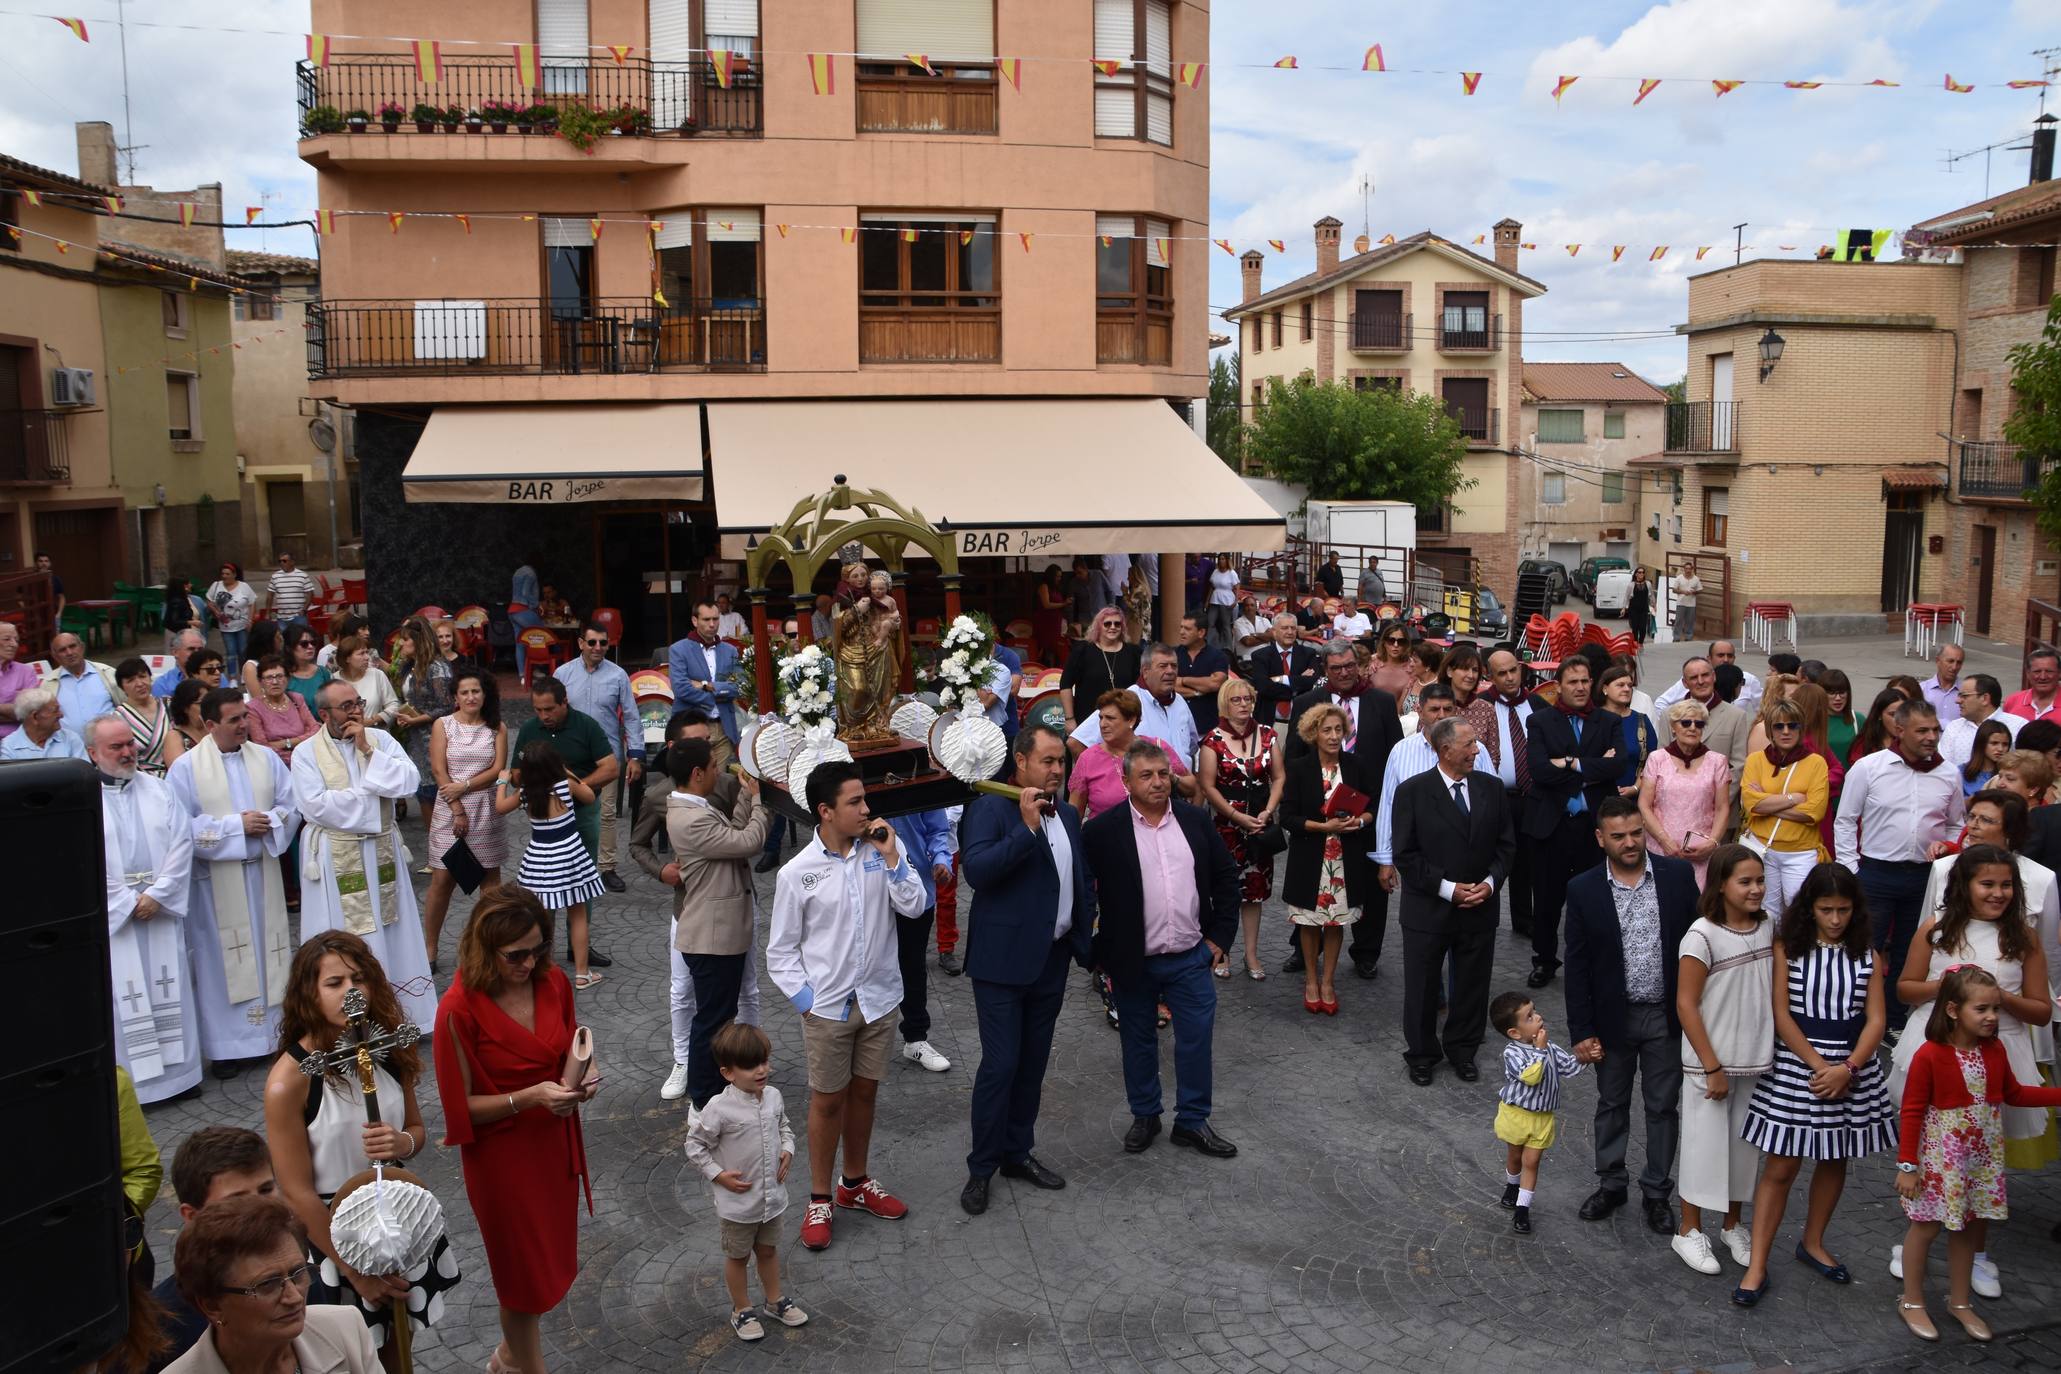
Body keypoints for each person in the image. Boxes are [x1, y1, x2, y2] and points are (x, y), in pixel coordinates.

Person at [263, 931, 457, 1356]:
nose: (351, 992)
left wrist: (401, 1142)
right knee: (350, 1357)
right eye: (334, 984)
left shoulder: (385, 1046)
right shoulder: (289, 1082)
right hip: (333, 1234)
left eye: (358, 979)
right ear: (308, 994)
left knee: (398, 1353)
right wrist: (356, 1271)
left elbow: (416, 1131)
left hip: (394, 1217)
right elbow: (296, 1191)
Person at [432, 887, 596, 1374]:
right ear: (486, 948)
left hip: (552, 1147)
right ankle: (526, 1365)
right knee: (519, 1279)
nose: (529, 962)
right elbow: (459, 1109)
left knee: (545, 1269)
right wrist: (530, 1097)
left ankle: (507, 1355)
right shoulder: (457, 1010)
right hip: (502, 1160)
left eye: (538, 948)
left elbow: (570, 1044)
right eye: (516, 955)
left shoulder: (553, 983)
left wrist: (584, 1077)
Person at [765, 761, 924, 1250]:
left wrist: (895, 858)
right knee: (827, 1100)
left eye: (865, 799)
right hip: (828, 1009)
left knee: (865, 1094)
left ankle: (854, 1185)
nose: (866, 809)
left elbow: (916, 905)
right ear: (825, 811)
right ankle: (819, 1197)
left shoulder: (880, 852)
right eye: (855, 801)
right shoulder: (797, 873)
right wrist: (808, 1003)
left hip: (879, 1001)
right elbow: (780, 952)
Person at [1735, 862, 1894, 1305]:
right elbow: (1782, 1014)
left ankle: (1814, 1241)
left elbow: (1876, 1018)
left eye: (1844, 909)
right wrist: (1820, 1066)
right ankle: (1758, 1263)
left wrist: (1850, 1068)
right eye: (1827, 909)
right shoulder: (1789, 947)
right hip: (1798, 1063)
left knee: (1834, 1157)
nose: (1837, 919)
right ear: (1811, 908)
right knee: (1781, 1166)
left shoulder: (1867, 953)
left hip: (1851, 1066)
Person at [1081, 739, 1241, 1157]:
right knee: (1137, 1041)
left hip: (1191, 956)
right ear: (1126, 780)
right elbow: (1082, 893)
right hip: (1133, 960)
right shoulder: (1101, 831)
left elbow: (1226, 878)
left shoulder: (1194, 821)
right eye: (1146, 776)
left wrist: (1217, 941)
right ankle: (1145, 1114)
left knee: (1196, 1040)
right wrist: (1095, 951)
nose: (1158, 783)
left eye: (1163, 774)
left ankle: (1192, 1120)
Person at [959, 725, 1096, 1214]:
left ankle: (1018, 1153)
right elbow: (977, 872)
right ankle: (981, 1168)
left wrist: (1085, 940)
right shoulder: (990, 808)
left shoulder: (1071, 814)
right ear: (1020, 762)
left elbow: (1078, 876)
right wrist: (1027, 828)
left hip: (1051, 959)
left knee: (1034, 1064)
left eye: (1062, 762)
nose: (1058, 770)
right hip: (1001, 964)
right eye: (1048, 761)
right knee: (1000, 1065)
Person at [1892, 966, 2061, 1343]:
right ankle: (1913, 1300)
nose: (1992, 1017)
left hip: (1979, 1157)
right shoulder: (1930, 1054)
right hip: (1941, 1158)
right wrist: (1908, 1165)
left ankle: (1961, 1301)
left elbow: (2014, 1093)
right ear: (1953, 1010)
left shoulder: (1995, 1049)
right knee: (1926, 1227)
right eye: (1982, 1009)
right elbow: (1913, 1111)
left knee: (1969, 1224)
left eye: (1995, 1009)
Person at [1563, 795, 1697, 1233]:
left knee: (1662, 1107)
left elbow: (1699, 947)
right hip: (1611, 1020)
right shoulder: (1583, 888)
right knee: (1611, 1103)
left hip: (1665, 1015)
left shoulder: (1677, 878)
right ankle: (1612, 1183)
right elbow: (1577, 965)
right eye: (1618, 836)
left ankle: (1657, 1193)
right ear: (1601, 839)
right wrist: (1581, 1030)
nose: (1630, 843)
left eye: (1636, 833)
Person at [1889, 845, 2056, 1197]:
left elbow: (2042, 1010)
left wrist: (2001, 997)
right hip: (1937, 1042)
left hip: (1999, 1048)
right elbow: (1906, 988)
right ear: (1965, 886)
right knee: (1930, 1133)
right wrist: (1947, 986)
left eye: (2006, 885)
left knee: (1982, 1146)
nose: (1998, 893)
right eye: (1987, 884)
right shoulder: (1937, 929)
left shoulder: (2023, 937)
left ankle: (1974, 1241)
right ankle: (1920, 1225)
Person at [166, 689, 300, 1076]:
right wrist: (234, 826)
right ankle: (226, 1049)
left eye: (244, 716)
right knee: (219, 961)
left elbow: (290, 807)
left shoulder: (266, 758)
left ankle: (274, 1037)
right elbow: (177, 827)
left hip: (261, 875)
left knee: (268, 950)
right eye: (234, 720)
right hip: (214, 885)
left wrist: (270, 822)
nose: (244, 725)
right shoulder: (187, 768)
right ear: (210, 725)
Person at [292, 681, 436, 1030]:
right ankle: (347, 1020)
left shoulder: (381, 741)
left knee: (392, 930)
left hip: (382, 853)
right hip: (336, 856)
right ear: (324, 714)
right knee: (342, 935)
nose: (355, 710)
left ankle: (402, 1017)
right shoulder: (306, 753)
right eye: (345, 706)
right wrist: (375, 797)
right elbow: (316, 807)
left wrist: (367, 752)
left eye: (357, 702)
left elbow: (407, 782)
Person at [631, 713, 755, 1103]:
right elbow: (637, 845)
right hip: (691, 910)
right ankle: (686, 1064)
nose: (717, 758)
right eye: (703, 745)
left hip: (731, 910)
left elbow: (737, 827)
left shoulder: (726, 784)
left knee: (743, 992)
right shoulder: (659, 798)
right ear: (680, 753)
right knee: (686, 994)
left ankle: (746, 1062)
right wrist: (661, 870)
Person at [1670, 844, 1776, 1278]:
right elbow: (1687, 1004)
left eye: (1760, 880)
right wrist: (1711, 1065)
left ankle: (1733, 1224)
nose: (1755, 890)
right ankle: (1689, 1230)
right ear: (1721, 884)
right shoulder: (1700, 935)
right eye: (1745, 882)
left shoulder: (1770, 926)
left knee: (1742, 1151)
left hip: (1755, 1060)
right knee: (1703, 1149)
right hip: (1708, 1066)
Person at [1391, 715, 1513, 1085]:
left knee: (1472, 985)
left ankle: (1463, 1049)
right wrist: (1448, 888)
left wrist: (1490, 884)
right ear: (1446, 750)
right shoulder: (1413, 791)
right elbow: (1406, 855)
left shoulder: (1491, 789)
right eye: (1470, 744)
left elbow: (1506, 845)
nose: (1477, 750)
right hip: (1428, 910)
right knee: (1424, 986)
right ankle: (1422, 1054)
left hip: (1479, 908)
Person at [1836, 699, 1964, 1026]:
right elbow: (1846, 820)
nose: (1931, 737)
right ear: (1900, 730)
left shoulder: (1948, 773)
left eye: (1935, 729)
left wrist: (1948, 846)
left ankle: (1893, 1021)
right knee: (1864, 949)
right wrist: (1853, 871)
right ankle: (1853, 1019)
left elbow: (1956, 824)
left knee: (1912, 951)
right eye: (1922, 730)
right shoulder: (1869, 768)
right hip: (1875, 874)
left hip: (1924, 877)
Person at [1282, 639, 1404, 979]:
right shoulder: (1308, 701)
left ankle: (1366, 952)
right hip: (1316, 811)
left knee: (1369, 883)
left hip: (1369, 808)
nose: (1345, 672)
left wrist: (1378, 807)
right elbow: (1293, 755)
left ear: (1359, 664)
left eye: (1350, 665)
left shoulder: (1380, 701)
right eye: (1336, 668)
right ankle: (1304, 949)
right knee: (1313, 880)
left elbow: (1394, 755)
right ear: (1325, 669)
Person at [92, 715, 198, 1104]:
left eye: (129, 744)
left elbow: (181, 844)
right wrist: (124, 902)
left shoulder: (160, 789)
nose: (126, 752)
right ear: (93, 753)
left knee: (169, 986)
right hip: (118, 917)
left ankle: (181, 1078)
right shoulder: (84, 800)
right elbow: (86, 860)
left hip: (159, 908)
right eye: (115, 747)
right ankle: (136, 1087)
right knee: (126, 995)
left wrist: (159, 894)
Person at [683, 1023, 807, 1344]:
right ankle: (741, 1308)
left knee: (768, 1250)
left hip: (772, 1200)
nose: (761, 1070)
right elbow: (694, 1145)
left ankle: (774, 1301)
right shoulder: (718, 1109)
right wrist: (718, 1174)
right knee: (737, 1257)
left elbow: (786, 1128)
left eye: (764, 1061)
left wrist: (787, 1149)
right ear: (728, 1073)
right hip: (737, 1205)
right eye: (751, 1065)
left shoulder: (774, 1098)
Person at [669, 736, 775, 1107]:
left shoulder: (695, 808)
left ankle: (713, 1089)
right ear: (698, 773)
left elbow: (731, 833)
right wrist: (761, 799)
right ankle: (704, 1097)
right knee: (713, 1022)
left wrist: (746, 796)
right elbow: (748, 841)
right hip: (711, 937)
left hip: (718, 933)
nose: (719, 772)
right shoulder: (690, 817)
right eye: (714, 767)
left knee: (718, 1016)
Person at [163, 1195, 381, 1374]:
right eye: (268, 1284)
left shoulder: (345, 1329)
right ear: (212, 1305)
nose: (294, 1297)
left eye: (297, 1274)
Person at [1521, 659, 1619, 989]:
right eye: (1572, 681)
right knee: (1547, 900)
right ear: (1558, 686)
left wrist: (1568, 762)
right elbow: (1538, 770)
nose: (1579, 687)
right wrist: (1592, 767)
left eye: (1584, 681)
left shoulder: (1608, 720)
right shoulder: (1540, 721)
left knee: (1596, 898)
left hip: (1594, 826)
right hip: (1552, 823)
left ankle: (1592, 960)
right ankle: (1544, 961)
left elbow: (1617, 768)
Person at [512, 677, 619, 968]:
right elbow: (516, 773)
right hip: (547, 821)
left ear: (564, 703)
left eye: (549, 709)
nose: (543, 716)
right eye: (538, 710)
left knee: (580, 882)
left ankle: (577, 948)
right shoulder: (529, 730)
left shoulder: (586, 725)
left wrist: (571, 786)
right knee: (546, 888)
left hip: (582, 815)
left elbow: (610, 768)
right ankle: (546, 951)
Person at [150, 1127, 277, 1370]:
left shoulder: (302, 1279)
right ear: (192, 1215)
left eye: (266, 1190)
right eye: (237, 1200)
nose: (261, 1210)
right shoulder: (161, 1325)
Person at [1281, 703, 1374, 1014]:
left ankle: (1329, 981)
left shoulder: (1358, 765)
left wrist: (1358, 822)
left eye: (1338, 730)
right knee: (1309, 923)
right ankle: (1311, 979)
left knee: (1336, 923)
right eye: (1327, 730)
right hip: (1310, 857)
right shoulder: (1298, 768)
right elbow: (1288, 817)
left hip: (1346, 858)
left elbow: (1371, 808)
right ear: (1313, 733)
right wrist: (1323, 827)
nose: (1334, 736)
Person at [496, 740, 607, 990]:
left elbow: (500, 808)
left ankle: (543, 971)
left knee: (541, 918)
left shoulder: (525, 793)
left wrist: (502, 782)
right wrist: (567, 771)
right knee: (577, 914)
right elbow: (589, 797)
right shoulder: (565, 784)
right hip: (570, 852)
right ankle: (582, 973)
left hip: (539, 858)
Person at [1196, 677, 1283, 980]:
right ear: (1225, 704)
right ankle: (1223, 950)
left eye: (1248, 699)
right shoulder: (1213, 739)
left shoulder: (1269, 735)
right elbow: (1207, 786)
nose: (1244, 704)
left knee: (1254, 893)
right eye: (1237, 700)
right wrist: (1235, 816)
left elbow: (1279, 777)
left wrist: (1268, 811)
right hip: (1226, 827)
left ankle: (1251, 953)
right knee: (1225, 892)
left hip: (1259, 824)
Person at [423, 666, 507, 965]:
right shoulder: (443, 725)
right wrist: (456, 804)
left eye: (476, 691)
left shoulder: (497, 727)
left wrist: (467, 785)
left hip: (485, 807)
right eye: (465, 692)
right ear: (455, 697)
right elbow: (438, 769)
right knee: (442, 879)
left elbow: (498, 769)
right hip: (449, 807)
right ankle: (430, 948)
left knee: (489, 881)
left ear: (484, 694)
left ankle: (489, 947)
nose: (471, 697)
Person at [1489, 990, 1585, 1235]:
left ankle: (1522, 1211)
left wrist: (1587, 1058)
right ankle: (1512, 1187)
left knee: (1531, 1162)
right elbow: (1531, 1077)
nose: (1538, 1017)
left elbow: (1569, 1067)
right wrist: (1541, 1051)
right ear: (1514, 1033)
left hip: (1542, 1118)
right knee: (1514, 1157)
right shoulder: (1512, 1053)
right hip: (1516, 1116)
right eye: (1530, 1016)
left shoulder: (1549, 1047)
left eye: (1535, 1011)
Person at [556, 621, 641, 892]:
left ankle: (606, 868)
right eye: (592, 642)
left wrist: (635, 756)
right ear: (581, 643)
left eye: (603, 643)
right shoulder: (563, 674)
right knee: (566, 812)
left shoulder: (618, 676)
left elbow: (631, 716)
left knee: (606, 814)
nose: (598, 648)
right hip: (569, 760)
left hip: (607, 759)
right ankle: (571, 866)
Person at [1464, 647, 1536, 935]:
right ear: (1489, 676)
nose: (1509, 678)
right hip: (1494, 797)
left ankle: (1524, 920)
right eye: (1501, 673)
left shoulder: (1538, 705)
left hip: (1530, 798)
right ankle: (1480, 914)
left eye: (1513, 671)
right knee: (1490, 858)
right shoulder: (1481, 706)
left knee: (1527, 863)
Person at [1742, 698, 1831, 915]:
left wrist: (1766, 801)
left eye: (1793, 725)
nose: (1786, 731)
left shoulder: (1816, 762)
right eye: (1779, 726)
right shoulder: (1755, 760)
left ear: (1802, 729)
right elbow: (1750, 805)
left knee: (1800, 910)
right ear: (1770, 731)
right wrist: (1794, 798)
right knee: (1766, 912)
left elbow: (1814, 812)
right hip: (1762, 849)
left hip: (1800, 852)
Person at [886, 804, 956, 1076]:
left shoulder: (916, 770)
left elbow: (938, 828)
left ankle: (915, 1038)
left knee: (912, 966)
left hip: (915, 885)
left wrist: (941, 859)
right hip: (869, 891)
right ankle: (858, 1040)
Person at [1069, 643, 1199, 765]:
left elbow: (1191, 748)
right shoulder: (1125, 701)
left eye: (1174, 666)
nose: (1170, 671)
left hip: (1182, 786)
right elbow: (1076, 743)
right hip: (1138, 787)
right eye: (1163, 666)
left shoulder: (1180, 703)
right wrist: (1103, 780)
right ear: (1145, 672)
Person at [669, 599, 742, 758]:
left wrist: (705, 685)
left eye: (715, 619)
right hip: (691, 728)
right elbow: (681, 689)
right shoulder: (678, 650)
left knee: (720, 780)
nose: (712, 624)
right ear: (695, 621)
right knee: (694, 779)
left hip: (723, 728)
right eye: (706, 619)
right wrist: (720, 693)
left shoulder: (730, 651)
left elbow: (738, 687)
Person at [1058, 606, 1140, 733]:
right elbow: (1065, 684)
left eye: (1117, 624)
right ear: (1098, 626)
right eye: (1107, 624)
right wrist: (1069, 718)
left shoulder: (1133, 652)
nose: (1112, 627)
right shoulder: (1082, 650)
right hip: (1087, 719)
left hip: (1123, 720)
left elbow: (1139, 688)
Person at [113, 656, 184, 776]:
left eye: (142, 676)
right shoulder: (117, 718)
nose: (139, 684)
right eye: (131, 680)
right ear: (121, 687)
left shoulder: (170, 704)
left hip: (178, 773)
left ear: (150, 678)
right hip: (142, 780)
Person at [1595, 663, 1657, 794]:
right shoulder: (1592, 720)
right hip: (1598, 795)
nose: (1627, 689)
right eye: (1620, 685)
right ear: (1605, 688)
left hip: (1635, 798)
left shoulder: (1641, 721)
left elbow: (1652, 760)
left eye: (1630, 685)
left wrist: (1636, 788)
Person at [1248, 613, 1320, 726]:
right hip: (1269, 721)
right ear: (1274, 631)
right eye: (1284, 628)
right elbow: (1263, 687)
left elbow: (1312, 682)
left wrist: (1281, 679)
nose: (1290, 632)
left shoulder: (1308, 654)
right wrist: (1298, 684)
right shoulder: (1260, 656)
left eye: (1293, 628)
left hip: (1301, 723)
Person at [1941, 674, 2024, 770]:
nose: (1957, 700)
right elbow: (1943, 768)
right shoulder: (1954, 727)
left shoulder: (2018, 727)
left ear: (1985, 699)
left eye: (1964, 696)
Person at [245, 656, 319, 763]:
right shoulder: (253, 708)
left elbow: (315, 730)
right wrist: (300, 742)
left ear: (288, 679)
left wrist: (286, 743)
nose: (275, 682)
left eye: (279, 676)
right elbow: (262, 747)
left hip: (306, 759)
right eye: (269, 678)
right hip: (275, 764)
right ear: (261, 682)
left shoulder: (297, 699)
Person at [49, 630, 118, 734]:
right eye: (62, 650)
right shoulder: (48, 684)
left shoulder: (108, 673)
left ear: (82, 648)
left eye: (72, 646)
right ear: (55, 656)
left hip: (110, 743)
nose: (69, 653)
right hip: (69, 747)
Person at [1174, 614, 1230, 737]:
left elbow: (1215, 683)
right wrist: (1198, 691)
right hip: (1177, 727)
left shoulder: (1218, 656)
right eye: (1181, 627)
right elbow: (1169, 686)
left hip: (1208, 728)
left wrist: (1182, 680)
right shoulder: (1173, 655)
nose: (1181, 632)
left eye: (1187, 629)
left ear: (1201, 632)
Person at [331, 635, 398, 730]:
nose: (367, 657)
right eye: (361, 653)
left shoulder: (377, 675)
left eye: (367, 652)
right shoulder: (334, 680)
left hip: (376, 734)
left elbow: (394, 705)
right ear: (347, 658)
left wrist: (372, 720)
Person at [1, 686, 83, 759]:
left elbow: (85, 774)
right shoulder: (9, 747)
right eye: (55, 711)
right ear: (35, 716)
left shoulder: (70, 739)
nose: (61, 715)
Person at [205, 564, 258, 677]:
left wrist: (250, 620)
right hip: (226, 627)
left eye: (227, 574)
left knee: (243, 652)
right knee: (230, 652)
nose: (224, 576)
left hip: (242, 625)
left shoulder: (244, 586)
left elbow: (252, 602)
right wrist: (216, 612)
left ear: (234, 575)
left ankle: (244, 675)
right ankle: (232, 676)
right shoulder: (216, 585)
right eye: (223, 574)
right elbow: (209, 601)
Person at [281, 627, 331, 720]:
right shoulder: (283, 676)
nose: (310, 647)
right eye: (304, 644)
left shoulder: (322, 672)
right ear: (289, 648)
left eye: (313, 643)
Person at [1958, 720, 2013, 797]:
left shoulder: (2011, 773)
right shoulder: (1960, 771)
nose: (2000, 749)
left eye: (2005, 744)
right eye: (1994, 743)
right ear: (1981, 743)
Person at [152, 629, 208, 700]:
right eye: (191, 649)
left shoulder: (216, 675)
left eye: (200, 649)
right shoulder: (163, 684)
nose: (197, 653)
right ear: (175, 652)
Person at [1204, 553, 1241, 649]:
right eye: (1219, 559)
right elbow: (1212, 587)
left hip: (1227, 599)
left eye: (1223, 559)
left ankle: (1228, 647)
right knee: (1210, 622)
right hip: (1215, 599)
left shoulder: (1231, 573)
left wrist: (1236, 601)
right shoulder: (1215, 572)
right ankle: (1209, 644)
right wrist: (1207, 601)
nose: (1221, 561)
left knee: (1225, 624)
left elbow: (1237, 587)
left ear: (1227, 560)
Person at [169, 679, 210, 756]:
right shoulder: (174, 737)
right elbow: (177, 767)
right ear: (185, 707)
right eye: (201, 703)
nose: (208, 707)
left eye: (209, 702)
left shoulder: (214, 729)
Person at [508, 551, 544, 631]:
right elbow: (525, 592)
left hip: (512, 611)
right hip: (523, 610)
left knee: (520, 641)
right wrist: (537, 604)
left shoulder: (518, 571)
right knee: (542, 635)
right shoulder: (531, 573)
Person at [161, 575, 196, 651]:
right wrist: (191, 622)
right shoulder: (176, 602)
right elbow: (174, 621)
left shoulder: (181, 599)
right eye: (188, 584)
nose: (190, 585)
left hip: (181, 632)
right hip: (175, 633)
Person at [1669, 565, 1701, 640]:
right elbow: (1674, 590)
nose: (1688, 570)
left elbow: (1700, 589)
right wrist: (1683, 592)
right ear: (1684, 569)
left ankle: (1688, 637)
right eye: (1686, 569)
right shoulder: (1679, 578)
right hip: (1681, 603)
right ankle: (1676, 637)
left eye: (1689, 569)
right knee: (1679, 620)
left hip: (1691, 604)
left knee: (1690, 621)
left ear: (1692, 569)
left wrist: (1694, 592)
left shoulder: (1696, 579)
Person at [1627, 566, 1653, 645]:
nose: (1641, 574)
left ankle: (1640, 643)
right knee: (1635, 628)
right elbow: (1626, 597)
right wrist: (1624, 608)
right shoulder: (1631, 585)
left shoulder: (1648, 584)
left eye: (1643, 572)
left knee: (1642, 628)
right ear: (1636, 574)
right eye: (1639, 572)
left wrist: (1654, 605)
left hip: (1644, 609)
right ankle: (1635, 643)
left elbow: (1651, 595)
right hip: (1633, 609)